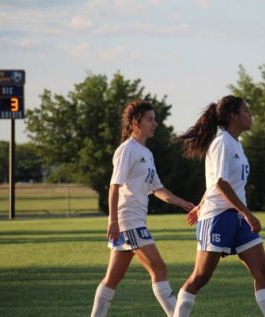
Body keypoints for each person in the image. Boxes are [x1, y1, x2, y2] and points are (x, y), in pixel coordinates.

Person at [173, 95, 265, 317]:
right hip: (218, 218)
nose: (250, 115)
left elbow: (217, 180)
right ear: (233, 116)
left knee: (263, 273)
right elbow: (220, 183)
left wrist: (202, 204)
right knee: (200, 277)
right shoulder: (222, 143)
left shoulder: (235, 144)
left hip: (238, 220)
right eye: (246, 111)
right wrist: (247, 213)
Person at [90, 100, 195, 317]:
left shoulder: (146, 153)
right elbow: (114, 186)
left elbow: (157, 188)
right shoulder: (127, 150)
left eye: (155, 119)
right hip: (129, 222)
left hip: (132, 222)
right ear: (135, 122)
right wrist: (113, 221)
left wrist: (182, 203)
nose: (155, 123)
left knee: (113, 278)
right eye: (150, 119)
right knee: (160, 269)